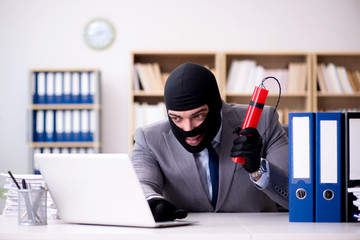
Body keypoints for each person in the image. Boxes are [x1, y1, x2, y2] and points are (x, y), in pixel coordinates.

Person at [131, 62, 288, 222]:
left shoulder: (264, 121)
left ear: (215, 106)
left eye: (198, 116)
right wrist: (152, 201)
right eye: (176, 118)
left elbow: (300, 197)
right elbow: (140, 185)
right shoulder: (149, 138)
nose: (188, 129)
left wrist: (258, 169)